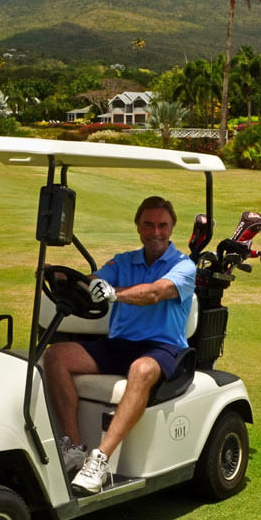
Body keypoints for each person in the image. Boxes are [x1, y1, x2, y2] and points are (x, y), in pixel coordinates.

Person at [43, 195, 197, 494]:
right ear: (138, 227)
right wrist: (62, 278)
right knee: (56, 356)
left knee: (140, 370)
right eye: (148, 224)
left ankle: (100, 459)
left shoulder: (183, 266)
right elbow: (92, 283)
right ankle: (73, 447)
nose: (156, 232)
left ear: (172, 227)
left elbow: (154, 292)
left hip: (163, 348)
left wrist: (114, 293)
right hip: (120, 344)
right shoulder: (123, 261)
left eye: (162, 225)